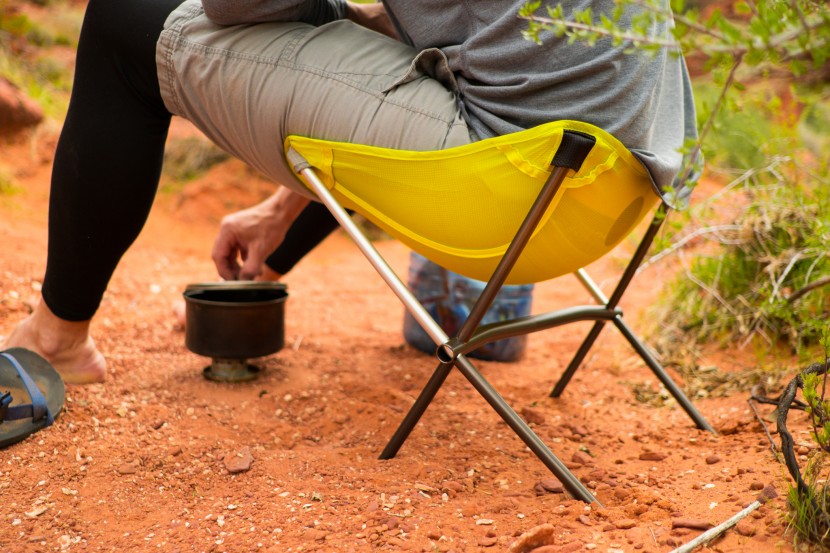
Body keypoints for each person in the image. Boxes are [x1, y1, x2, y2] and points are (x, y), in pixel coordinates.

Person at [2, 0, 699, 384]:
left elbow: (237, 5)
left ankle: (57, 337)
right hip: (607, 192)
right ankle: (271, 254)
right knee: (351, 20)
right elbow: (460, 40)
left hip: (500, 192)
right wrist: (283, 212)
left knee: (128, 20)